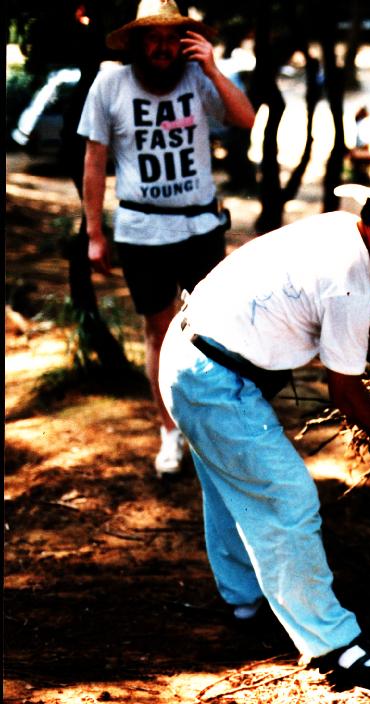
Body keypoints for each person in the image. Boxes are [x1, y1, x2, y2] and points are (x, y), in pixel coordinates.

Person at [157, 145, 370, 688]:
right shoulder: (347, 274)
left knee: (234, 491)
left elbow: (361, 323)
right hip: (212, 380)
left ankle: (246, 606)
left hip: (186, 357)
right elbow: (346, 393)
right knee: (287, 498)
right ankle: (335, 646)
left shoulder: (339, 230)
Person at [78, 0, 256, 477]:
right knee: (159, 330)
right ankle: (169, 432)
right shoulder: (109, 85)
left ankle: (213, 430)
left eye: (170, 36)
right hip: (142, 230)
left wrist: (215, 70)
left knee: (214, 332)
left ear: (183, 41)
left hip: (200, 226)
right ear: (136, 42)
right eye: (151, 37)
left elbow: (246, 119)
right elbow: (95, 160)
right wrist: (94, 232)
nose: (161, 46)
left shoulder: (199, 80)